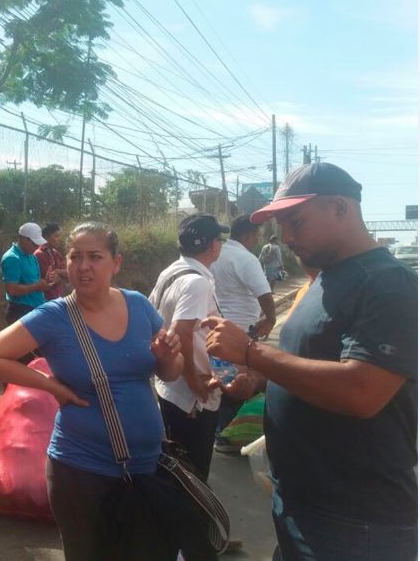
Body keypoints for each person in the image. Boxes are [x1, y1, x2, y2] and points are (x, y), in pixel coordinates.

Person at [204, 162, 417, 561]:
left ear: (340, 209)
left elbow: (361, 390)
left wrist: (252, 353)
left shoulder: (388, 283)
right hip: (299, 500)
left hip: (355, 520)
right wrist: (258, 378)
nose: (286, 237)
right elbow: (309, 361)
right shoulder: (325, 280)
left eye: (296, 221)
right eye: (282, 225)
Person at [0, 222, 213, 561]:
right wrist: (50, 385)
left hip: (147, 467)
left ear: (116, 263)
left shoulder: (139, 306)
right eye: (75, 257)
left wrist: (168, 357)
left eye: (95, 257)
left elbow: (169, 372)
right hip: (81, 471)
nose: (83, 266)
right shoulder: (53, 317)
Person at [149, 213, 232, 482]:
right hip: (190, 397)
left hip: (170, 389)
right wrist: (194, 380)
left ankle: (180, 517)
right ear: (212, 245)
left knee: (178, 466)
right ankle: (193, 521)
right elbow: (180, 332)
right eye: (219, 239)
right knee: (193, 473)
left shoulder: (171, 271)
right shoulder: (197, 281)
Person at [210, 214, 275, 454]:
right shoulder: (245, 258)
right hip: (239, 333)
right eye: (257, 235)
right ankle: (225, 434)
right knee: (237, 382)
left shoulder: (215, 253)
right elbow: (264, 294)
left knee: (222, 377)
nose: (257, 240)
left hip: (215, 328)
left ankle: (218, 429)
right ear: (248, 235)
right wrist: (271, 318)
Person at [0, 222, 50, 324]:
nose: (37, 247)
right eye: (34, 243)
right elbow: (11, 290)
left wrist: (47, 281)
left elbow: (35, 281)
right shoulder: (12, 258)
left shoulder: (32, 256)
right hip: (20, 312)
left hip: (36, 308)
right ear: (23, 239)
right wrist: (37, 286)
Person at [34, 223, 69, 300]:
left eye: (59, 236)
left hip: (58, 298)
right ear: (46, 237)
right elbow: (50, 280)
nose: (59, 239)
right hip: (45, 300)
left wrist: (57, 271)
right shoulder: (39, 254)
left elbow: (69, 273)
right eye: (56, 236)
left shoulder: (56, 253)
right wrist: (61, 276)